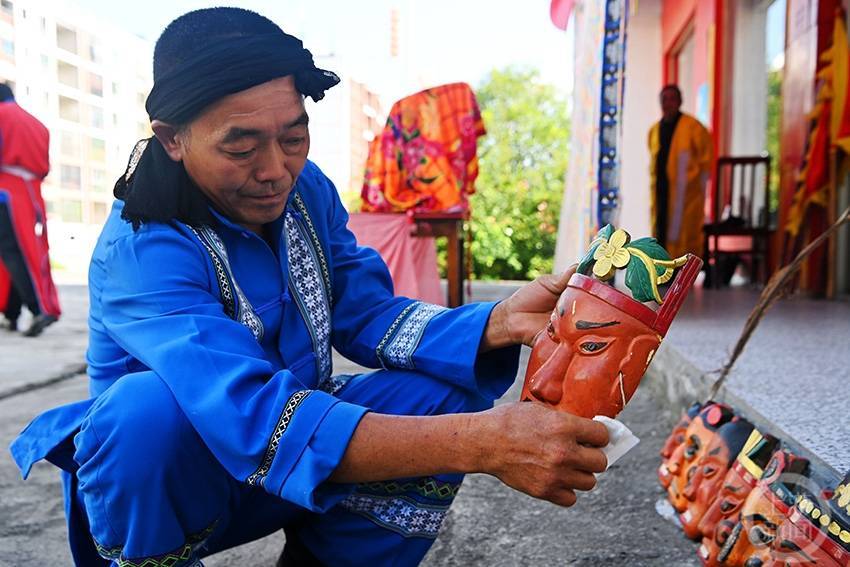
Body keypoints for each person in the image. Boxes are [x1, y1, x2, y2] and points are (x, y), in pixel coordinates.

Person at [9, 8, 609, 567]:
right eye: (241, 146)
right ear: (171, 138)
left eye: (293, 138)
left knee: (439, 393)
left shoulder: (304, 189)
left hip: (300, 457)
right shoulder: (140, 246)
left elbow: (365, 310)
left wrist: (501, 320)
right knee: (145, 418)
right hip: (180, 484)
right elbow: (253, 418)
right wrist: (484, 444)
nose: (274, 170)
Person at [0, 83, 61, 336]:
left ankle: (37, 308)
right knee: (24, 250)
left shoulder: (2, 116)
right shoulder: (36, 123)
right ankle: (12, 314)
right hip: (31, 192)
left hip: (6, 190)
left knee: (12, 251)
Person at [647, 84, 712, 259]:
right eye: (664, 99)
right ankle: (662, 268)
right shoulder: (654, 130)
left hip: (686, 195)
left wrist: (697, 186)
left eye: (672, 99)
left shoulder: (694, 128)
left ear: (680, 101)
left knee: (684, 233)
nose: (667, 103)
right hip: (661, 190)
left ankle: (683, 271)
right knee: (661, 229)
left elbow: (706, 162)